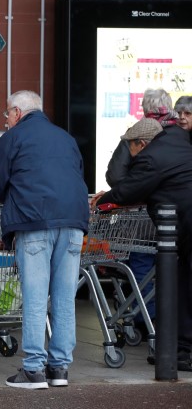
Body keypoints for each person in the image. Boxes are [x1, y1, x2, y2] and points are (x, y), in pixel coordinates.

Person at [0, 90, 89, 389]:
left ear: (17, 112)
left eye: (7, 114)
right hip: (73, 222)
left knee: (35, 295)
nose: (6, 120)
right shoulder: (65, 138)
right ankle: (59, 369)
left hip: (34, 221)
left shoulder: (13, 138)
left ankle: (33, 370)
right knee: (65, 297)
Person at [91, 117, 192, 372]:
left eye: (131, 148)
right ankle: (180, 348)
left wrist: (104, 201)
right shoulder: (177, 139)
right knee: (181, 284)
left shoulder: (151, 158)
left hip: (186, 224)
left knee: (184, 288)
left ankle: (183, 351)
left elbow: (129, 190)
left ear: (142, 143)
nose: (131, 155)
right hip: (183, 223)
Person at [106, 89, 177, 331]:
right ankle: (168, 320)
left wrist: (126, 192)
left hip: (143, 214)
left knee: (141, 261)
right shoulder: (180, 132)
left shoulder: (139, 134)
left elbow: (116, 175)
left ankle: (148, 319)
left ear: (145, 110)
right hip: (177, 214)